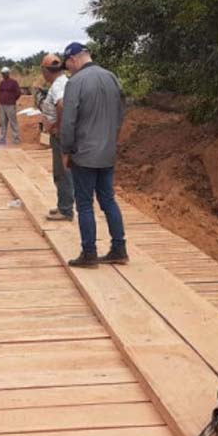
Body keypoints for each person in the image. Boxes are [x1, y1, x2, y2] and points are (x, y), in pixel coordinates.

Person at [60, 42, 128, 267]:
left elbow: (68, 121)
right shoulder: (112, 77)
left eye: (67, 65)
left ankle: (89, 253)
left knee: (85, 204)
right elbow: (120, 114)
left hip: (84, 154)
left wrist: (66, 150)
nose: (68, 69)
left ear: (73, 60)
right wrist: (111, 139)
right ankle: (119, 249)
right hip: (107, 152)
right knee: (108, 199)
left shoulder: (75, 83)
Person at [39, 53, 75, 222]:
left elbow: (62, 104)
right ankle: (63, 205)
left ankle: (66, 209)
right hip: (59, 134)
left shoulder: (58, 85)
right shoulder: (60, 82)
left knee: (62, 172)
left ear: (46, 70)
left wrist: (58, 127)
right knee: (60, 171)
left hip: (60, 136)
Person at [0, 66, 21, 145]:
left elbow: (18, 93)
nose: (3, 75)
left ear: (8, 73)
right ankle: (2, 139)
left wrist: (12, 99)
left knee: (13, 122)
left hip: (10, 105)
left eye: (5, 73)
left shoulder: (14, 82)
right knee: (3, 122)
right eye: (2, 74)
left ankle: (16, 139)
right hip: (2, 105)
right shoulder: (2, 83)